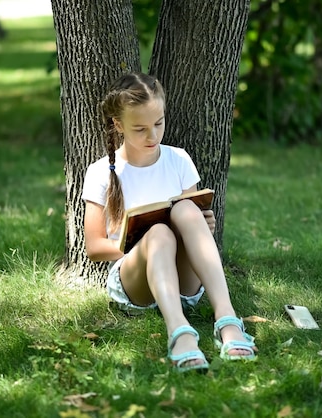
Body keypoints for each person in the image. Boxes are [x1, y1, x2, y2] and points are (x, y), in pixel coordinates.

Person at [81, 72, 257, 372]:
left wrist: (202, 225)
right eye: (140, 129)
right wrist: (140, 241)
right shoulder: (101, 172)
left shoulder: (178, 160)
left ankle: (227, 320)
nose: (152, 136)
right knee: (160, 232)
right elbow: (94, 248)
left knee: (186, 211)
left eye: (158, 124)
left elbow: (194, 223)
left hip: (183, 281)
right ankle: (180, 333)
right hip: (136, 283)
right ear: (119, 125)